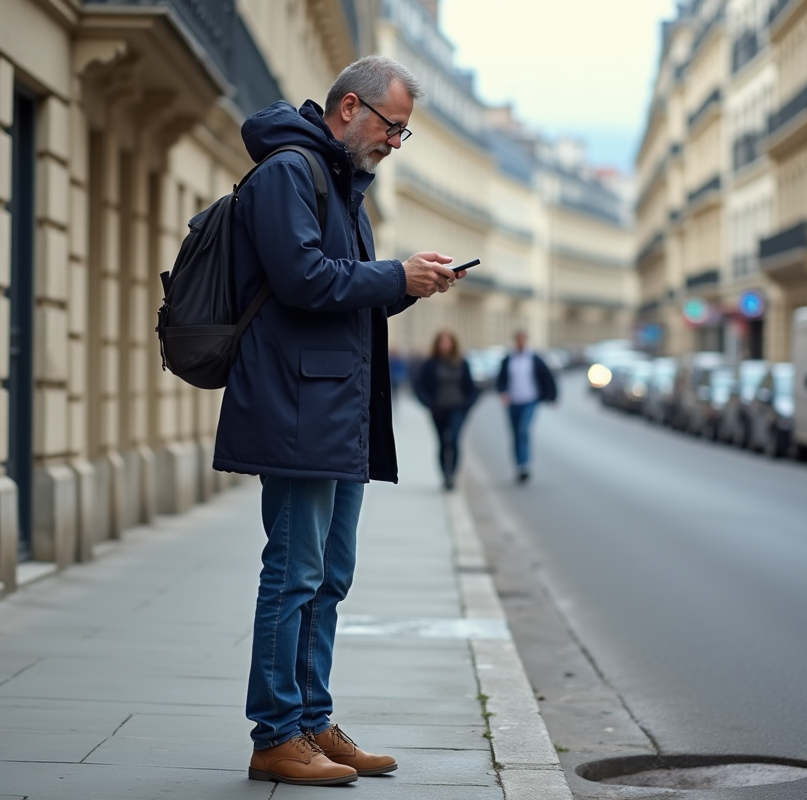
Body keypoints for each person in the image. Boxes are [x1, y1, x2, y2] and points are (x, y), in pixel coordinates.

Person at [212, 56, 470, 787]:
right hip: (299, 410)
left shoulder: (340, 181)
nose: (396, 141)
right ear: (350, 107)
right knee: (293, 572)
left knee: (329, 576)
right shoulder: (290, 172)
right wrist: (395, 275)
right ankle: (274, 734)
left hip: (335, 410)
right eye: (393, 127)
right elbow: (302, 280)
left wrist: (410, 284)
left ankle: (312, 721)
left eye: (404, 133)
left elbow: (342, 295)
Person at [413, 330, 479, 490]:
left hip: (458, 407)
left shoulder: (462, 363)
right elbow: (419, 387)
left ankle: (452, 475)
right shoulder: (430, 364)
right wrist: (428, 403)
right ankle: (445, 474)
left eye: (447, 342)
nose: (445, 345)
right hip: (438, 409)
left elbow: (472, 387)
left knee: (454, 440)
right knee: (443, 442)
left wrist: (468, 404)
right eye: (442, 342)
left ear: (453, 344)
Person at [496, 330, 558, 483]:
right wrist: (503, 392)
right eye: (518, 340)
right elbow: (501, 379)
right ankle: (518, 464)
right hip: (513, 401)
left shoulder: (534, 359)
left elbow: (547, 377)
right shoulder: (508, 359)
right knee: (516, 433)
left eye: (522, 340)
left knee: (523, 430)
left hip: (530, 400)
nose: (520, 342)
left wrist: (553, 396)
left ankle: (525, 465)